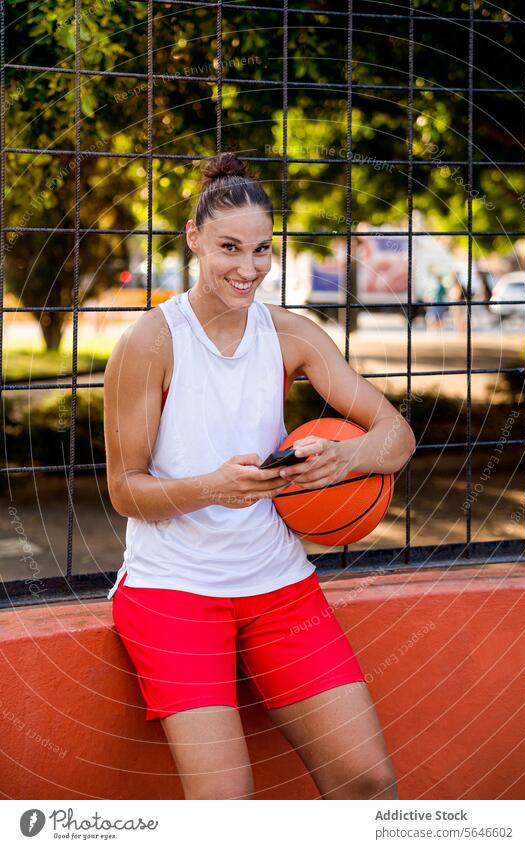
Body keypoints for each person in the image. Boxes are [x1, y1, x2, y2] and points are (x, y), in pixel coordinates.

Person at [103, 151, 416, 800]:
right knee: (227, 811)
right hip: (174, 594)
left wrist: (346, 458)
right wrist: (209, 487)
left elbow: (396, 436)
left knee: (366, 780)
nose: (247, 269)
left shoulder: (292, 334)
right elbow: (124, 488)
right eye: (228, 248)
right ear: (192, 237)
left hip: (280, 589)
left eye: (261, 250)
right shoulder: (149, 343)